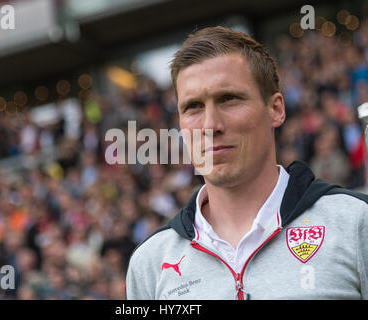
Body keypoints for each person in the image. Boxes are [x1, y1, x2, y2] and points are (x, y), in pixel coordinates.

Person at [125, 26, 368, 300]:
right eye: (193, 107)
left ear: (275, 109)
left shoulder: (355, 222)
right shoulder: (150, 263)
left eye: (229, 99)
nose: (210, 125)